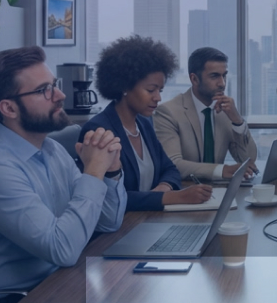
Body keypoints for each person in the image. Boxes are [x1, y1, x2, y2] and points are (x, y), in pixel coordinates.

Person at [0, 46, 128, 293]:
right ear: (9, 109)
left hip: (51, 283)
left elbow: (107, 222)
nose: (59, 95)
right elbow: (63, 250)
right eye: (44, 90)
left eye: (54, 84)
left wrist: (111, 170)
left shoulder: (51, 149)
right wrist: (94, 170)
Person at [82, 35, 214, 211]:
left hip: (146, 219)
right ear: (124, 86)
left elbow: (170, 169)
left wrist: (163, 188)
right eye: (150, 90)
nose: (158, 98)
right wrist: (171, 197)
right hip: (116, 231)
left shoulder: (143, 124)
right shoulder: (99, 131)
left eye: (160, 90)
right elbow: (108, 198)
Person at [154, 47, 259, 182]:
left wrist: (237, 120)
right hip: (185, 190)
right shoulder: (169, 112)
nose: (222, 83)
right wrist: (222, 170)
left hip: (218, 189)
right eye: (214, 76)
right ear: (194, 79)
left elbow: (248, 160)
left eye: (224, 75)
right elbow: (173, 164)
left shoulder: (226, 111)